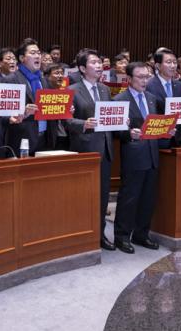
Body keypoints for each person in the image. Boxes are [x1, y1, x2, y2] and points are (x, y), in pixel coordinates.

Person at [113, 62, 172, 254]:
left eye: (147, 77)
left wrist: (166, 131)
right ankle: (122, 236)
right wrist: (128, 133)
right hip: (133, 156)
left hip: (152, 155)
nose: (144, 81)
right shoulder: (119, 100)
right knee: (129, 198)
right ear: (129, 79)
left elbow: (155, 126)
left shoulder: (152, 99)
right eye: (140, 77)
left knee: (148, 198)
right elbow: (114, 130)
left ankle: (141, 234)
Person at [65, 49, 115, 251]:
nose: (99, 65)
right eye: (93, 62)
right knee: (84, 196)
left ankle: (100, 234)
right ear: (82, 68)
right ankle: (82, 236)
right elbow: (66, 120)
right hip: (84, 149)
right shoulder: (72, 90)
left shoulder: (105, 89)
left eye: (99, 62)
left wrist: (121, 120)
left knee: (102, 196)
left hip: (105, 149)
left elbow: (110, 116)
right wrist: (83, 124)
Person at [1, 38, 54, 156]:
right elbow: (2, 114)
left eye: (39, 53)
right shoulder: (11, 80)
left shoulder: (43, 80)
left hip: (44, 138)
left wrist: (65, 109)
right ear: (22, 58)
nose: (38, 56)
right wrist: (22, 111)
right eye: (33, 53)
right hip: (21, 139)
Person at [146, 48, 181, 147]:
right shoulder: (148, 85)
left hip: (178, 139)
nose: (173, 66)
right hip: (158, 139)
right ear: (158, 66)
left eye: (174, 62)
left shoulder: (180, 86)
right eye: (168, 62)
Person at [45, 62, 70, 148]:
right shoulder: (43, 93)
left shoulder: (66, 92)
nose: (60, 76)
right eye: (57, 73)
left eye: (62, 73)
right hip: (49, 137)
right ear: (47, 76)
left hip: (65, 136)